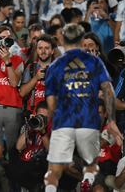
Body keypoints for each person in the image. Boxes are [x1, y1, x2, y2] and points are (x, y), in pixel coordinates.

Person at [43, 23, 123, 192]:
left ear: (63, 40)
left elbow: (51, 104)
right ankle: (87, 180)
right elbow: (109, 92)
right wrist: (112, 121)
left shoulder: (55, 66)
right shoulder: (95, 63)